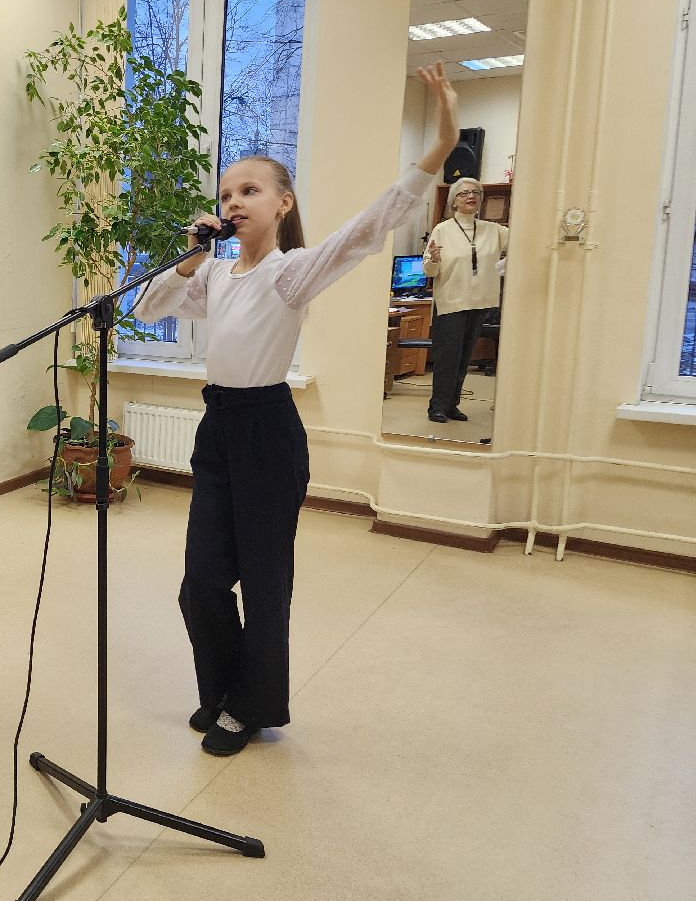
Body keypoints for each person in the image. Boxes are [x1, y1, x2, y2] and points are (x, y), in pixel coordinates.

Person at [132, 62, 461, 757]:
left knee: (266, 580)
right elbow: (144, 306)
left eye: (250, 188)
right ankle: (221, 692)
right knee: (200, 584)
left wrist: (438, 147)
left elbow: (370, 230)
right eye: (226, 193)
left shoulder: (290, 272)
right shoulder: (216, 274)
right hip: (218, 428)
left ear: (283, 203)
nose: (234, 200)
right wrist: (192, 256)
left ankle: (250, 707)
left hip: (268, 435)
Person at [422, 176, 510, 422]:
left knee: (464, 358)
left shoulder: (494, 231)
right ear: (454, 203)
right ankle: (437, 406)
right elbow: (429, 270)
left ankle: (452, 405)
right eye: (463, 194)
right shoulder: (443, 229)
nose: (470, 196)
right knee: (447, 358)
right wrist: (434, 259)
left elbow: (525, 242)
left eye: (475, 193)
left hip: (480, 302)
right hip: (451, 303)